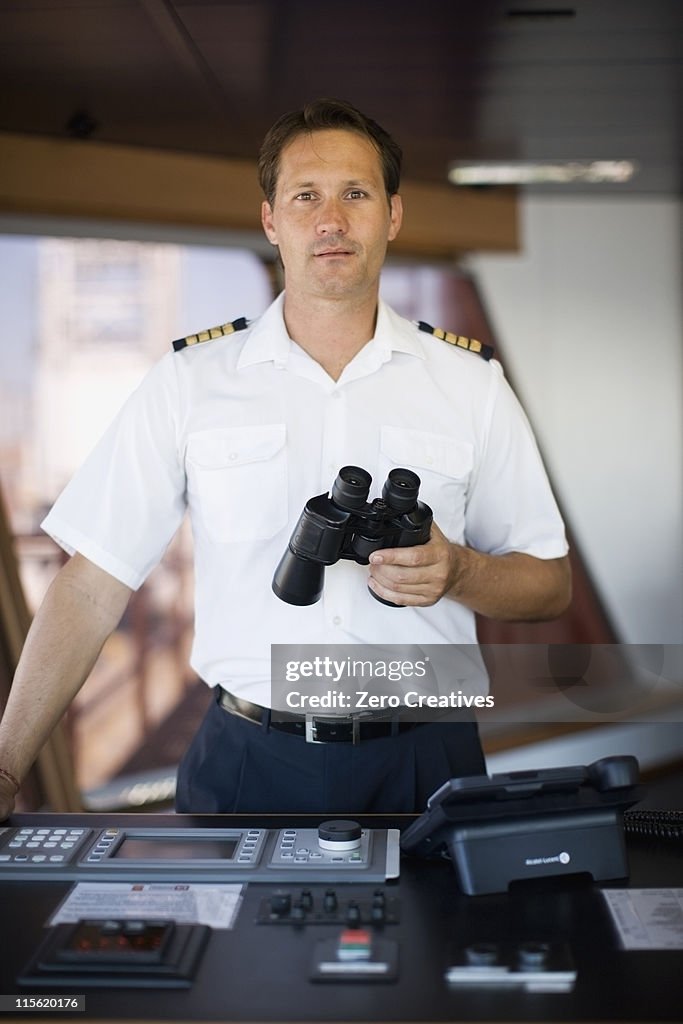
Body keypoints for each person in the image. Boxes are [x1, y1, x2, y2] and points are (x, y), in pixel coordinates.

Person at [0, 99, 571, 819]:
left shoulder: (469, 384)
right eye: (305, 196)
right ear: (270, 219)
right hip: (247, 759)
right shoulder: (190, 382)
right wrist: (6, 763)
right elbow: (90, 585)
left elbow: (547, 583)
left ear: (391, 215)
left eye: (354, 194)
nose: (330, 220)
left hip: (427, 759)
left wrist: (460, 570)